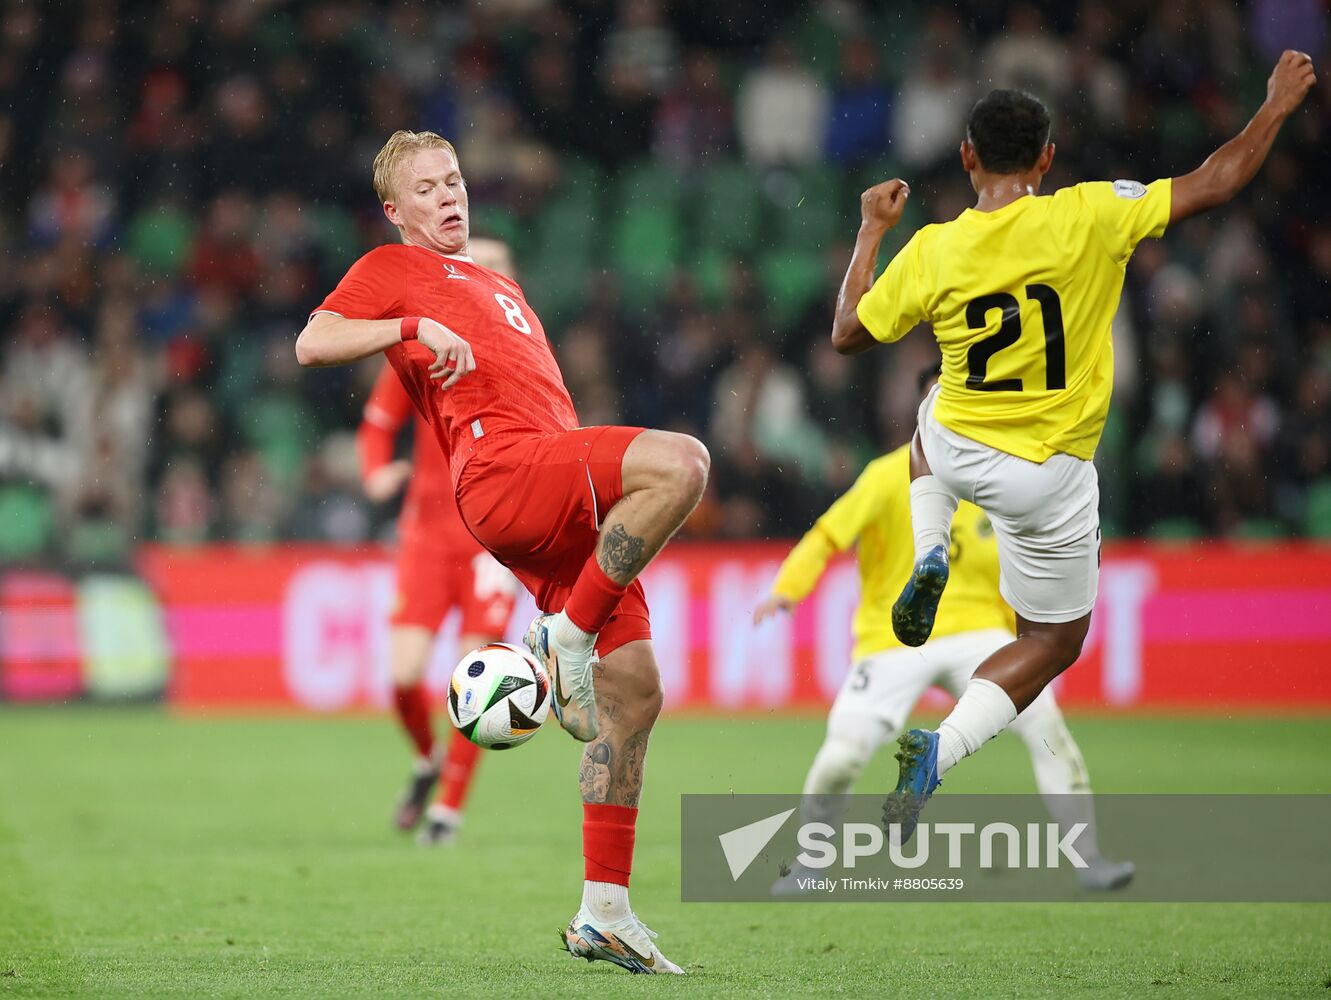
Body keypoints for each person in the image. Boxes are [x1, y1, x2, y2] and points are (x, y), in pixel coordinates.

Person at [829, 52, 1317, 834]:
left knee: (928, 414)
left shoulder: (932, 248)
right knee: (1052, 641)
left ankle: (931, 547)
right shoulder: (1092, 213)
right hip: (1046, 475)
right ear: (1047, 160)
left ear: (966, 158)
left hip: (958, 446)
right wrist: (1273, 107)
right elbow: (1218, 180)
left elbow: (847, 333)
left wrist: (869, 230)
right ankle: (941, 750)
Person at [296, 131, 708, 974]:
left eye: (453, 181)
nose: (449, 197)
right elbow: (313, 341)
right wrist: (407, 326)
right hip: (503, 471)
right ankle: (564, 637)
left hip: (557, 493)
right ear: (394, 210)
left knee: (634, 700)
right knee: (683, 462)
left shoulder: (494, 280)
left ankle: (605, 912)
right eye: (426, 189)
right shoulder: (391, 269)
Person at [757, 366, 1134, 891]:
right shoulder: (888, 473)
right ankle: (808, 864)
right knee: (842, 755)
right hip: (896, 640)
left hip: (978, 632)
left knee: (1046, 728)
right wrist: (787, 587)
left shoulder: (1007, 472)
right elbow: (827, 534)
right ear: (927, 408)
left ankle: (1088, 859)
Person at [357, 237, 520, 846]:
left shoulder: (523, 357)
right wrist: (376, 472)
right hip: (427, 535)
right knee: (402, 678)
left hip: (490, 542)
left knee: (475, 685)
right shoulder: (426, 351)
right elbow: (378, 426)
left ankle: (447, 814)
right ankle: (427, 762)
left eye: (492, 267)